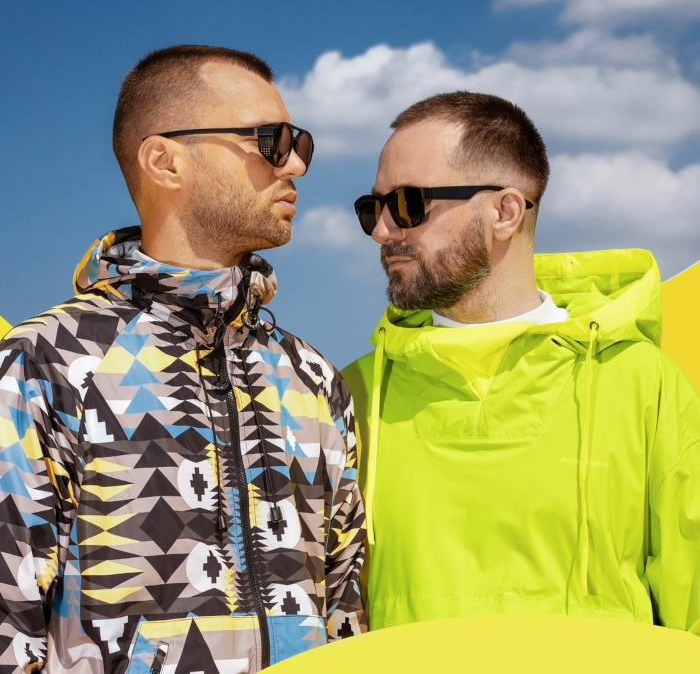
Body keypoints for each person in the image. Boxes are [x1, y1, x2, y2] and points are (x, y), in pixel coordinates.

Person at [0, 45, 365, 673]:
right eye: (272, 141)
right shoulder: (43, 365)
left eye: (299, 142)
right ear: (165, 161)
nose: (297, 163)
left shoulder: (312, 378)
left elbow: (345, 622)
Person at [341, 90, 700, 633]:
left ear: (505, 212)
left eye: (408, 204)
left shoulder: (642, 383)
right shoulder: (352, 395)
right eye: (373, 208)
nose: (382, 230)